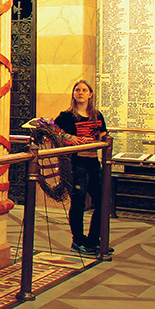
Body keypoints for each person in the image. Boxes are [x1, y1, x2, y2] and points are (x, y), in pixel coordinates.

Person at [55, 80, 109, 255]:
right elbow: (52, 131)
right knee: (78, 202)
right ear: (73, 93)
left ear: (90, 94)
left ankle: (94, 239)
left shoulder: (97, 115)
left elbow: (103, 135)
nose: (80, 93)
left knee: (101, 200)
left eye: (84, 90)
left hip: (94, 162)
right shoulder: (67, 116)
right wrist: (70, 137)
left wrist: (99, 141)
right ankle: (77, 240)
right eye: (77, 90)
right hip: (76, 163)